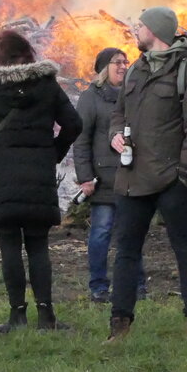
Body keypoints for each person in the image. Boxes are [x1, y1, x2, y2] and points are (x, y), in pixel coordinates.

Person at [106, 7, 187, 342]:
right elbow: (118, 113)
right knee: (125, 251)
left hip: (171, 179)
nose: (135, 30)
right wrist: (115, 134)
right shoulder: (135, 70)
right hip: (132, 178)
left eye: (140, 25)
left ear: (155, 30)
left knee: (185, 248)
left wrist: (184, 175)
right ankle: (119, 325)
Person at [0, 30, 82, 333]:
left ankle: (17, 316)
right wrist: (53, 152)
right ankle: (46, 316)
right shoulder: (47, 85)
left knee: (9, 247)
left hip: (0, 178)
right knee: (38, 245)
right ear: (28, 55)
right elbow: (73, 123)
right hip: (38, 176)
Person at [73, 47, 135, 303]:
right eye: (116, 62)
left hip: (132, 177)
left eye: (125, 62)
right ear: (103, 68)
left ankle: (136, 284)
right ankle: (98, 286)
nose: (123, 66)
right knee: (101, 233)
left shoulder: (133, 94)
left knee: (131, 233)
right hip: (104, 179)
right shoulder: (91, 98)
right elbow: (81, 139)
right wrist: (85, 176)